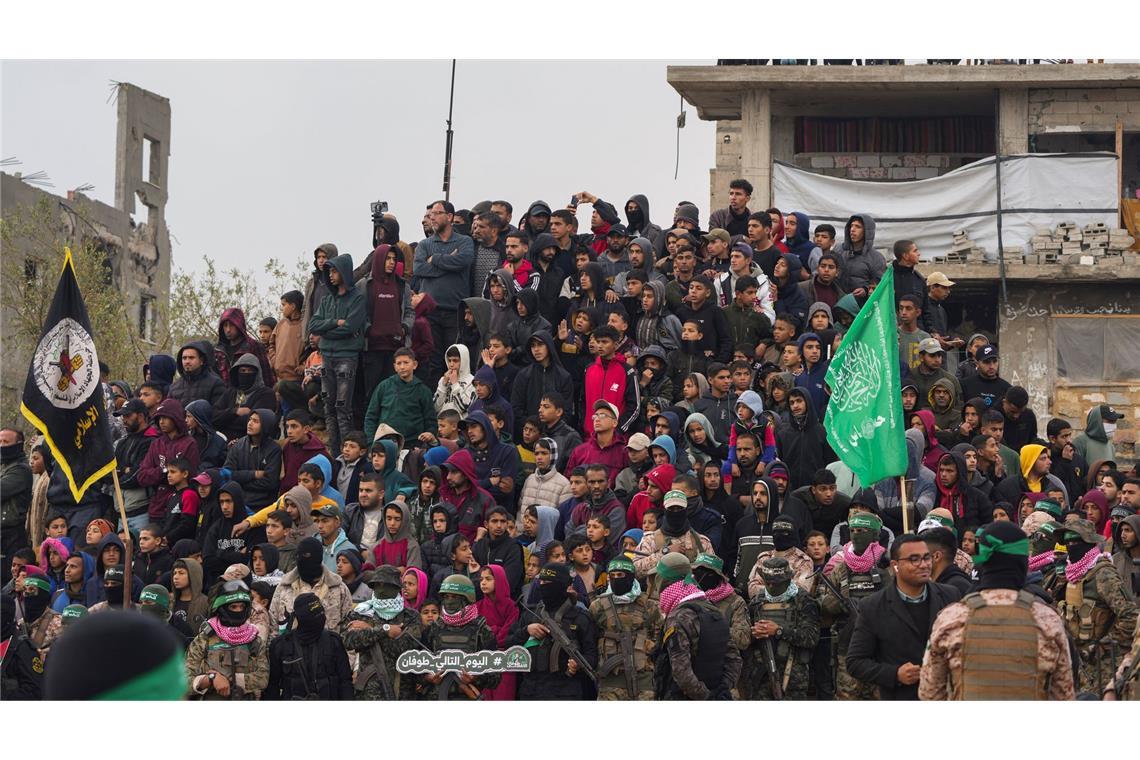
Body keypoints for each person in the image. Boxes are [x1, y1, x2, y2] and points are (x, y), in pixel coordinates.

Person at [919, 521, 1075, 700]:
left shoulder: (951, 618)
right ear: (1023, 562)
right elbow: (1064, 694)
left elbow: (929, 693)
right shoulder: (1048, 620)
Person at [845, 533, 962, 700]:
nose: (923, 565)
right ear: (895, 566)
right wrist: (895, 674)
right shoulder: (873, 606)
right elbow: (855, 662)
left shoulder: (950, 595)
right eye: (914, 559)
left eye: (926, 558)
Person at [1054, 518, 1137, 694]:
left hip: (1101, 666)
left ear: (1088, 543)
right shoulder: (1072, 572)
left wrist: (1103, 646)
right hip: (1077, 659)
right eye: (1068, 542)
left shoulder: (1102, 573)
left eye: (1076, 541)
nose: (1071, 546)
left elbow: (1130, 615)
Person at [653, 553, 740, 700]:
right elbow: (734, 659)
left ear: (664, 581)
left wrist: (706, 697)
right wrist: (721, 691)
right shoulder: (713, 609)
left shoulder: (678, 617)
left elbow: (681, 671)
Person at [507, 562, 597, 700]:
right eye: (541, 581)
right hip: (531, 690)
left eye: (547, 582)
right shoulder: (530, 614)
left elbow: (592, 654)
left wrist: (577, 665)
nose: (543, 586)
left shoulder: (580, 617)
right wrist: (526, 631)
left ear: (562, 585)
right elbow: (509, 646)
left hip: (566, 691)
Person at [413, 200, 476, 382]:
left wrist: (436, 259)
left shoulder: (464, 241)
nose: (432, 217)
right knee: (432, 361)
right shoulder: (424, 244)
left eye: (437, 213)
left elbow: (463, 261)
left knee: (455, 360)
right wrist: (449, 261)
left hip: (455, 311)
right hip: (430, 313)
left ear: (449, 217)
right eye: (431, 214)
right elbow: (419, 269)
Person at [340, 565, 422, 700]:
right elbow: (348, 640)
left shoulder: (411, 616)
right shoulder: (363, 612)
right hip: (369, 692)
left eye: (386, 585)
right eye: (377, 585)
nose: (381, 589)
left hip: (402, 691)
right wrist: (384, 630)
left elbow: (406, 647)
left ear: (396, 587)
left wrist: (369, 630)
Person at [745, 556, 821, 700]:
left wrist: (779, 630)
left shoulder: (803, 601)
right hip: (761, 675)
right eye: (767, 583)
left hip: (793, 676)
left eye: (776, 583)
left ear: (788, 580)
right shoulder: (757, 602)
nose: (771, 587)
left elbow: (811, 638)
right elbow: (744, 637)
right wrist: (754, 633)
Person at [186, 580, 269, 700]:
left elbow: (262, 679)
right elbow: (185, 681)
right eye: (233, 607)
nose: (238, 611)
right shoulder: (205, 639)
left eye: (242, 606)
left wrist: (228, 680)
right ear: (222, 608)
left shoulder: (254, 640)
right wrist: (211, 678)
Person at [423, 574, 500, 700]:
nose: (449, 601)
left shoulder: (482, 631)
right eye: (446, 597)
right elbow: (416, 665)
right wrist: (428, 677)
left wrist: (476, 678)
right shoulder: (433, 629)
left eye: (454, 597)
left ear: (466, 599)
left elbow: (496, 677)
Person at [264, 592, 353, 700]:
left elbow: (345, 682)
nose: (321, 618)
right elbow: (272, 685)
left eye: (321, 613)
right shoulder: (281, 645)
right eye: (314, 615)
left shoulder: (333, 642)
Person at [269, 537, 354, 640]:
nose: (302, 560)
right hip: (291, 653)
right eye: (299, 556)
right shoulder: (284, 587)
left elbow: (349, 630)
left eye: (307, 556)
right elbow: (273, 628)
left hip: (327, 652)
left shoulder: (339, 589)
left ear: (318, 558)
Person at [833, 213, 884, 298]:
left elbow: (879, 285)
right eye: (851, 226)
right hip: (837, 300)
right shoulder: (838, 250)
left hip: (861, 305)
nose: (852, 229)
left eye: (858, 227)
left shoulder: (876, 258)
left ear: (867, 231)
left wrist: (865, 290)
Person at [960, 345, 1011, 410]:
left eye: (995, 361)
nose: (992, 366)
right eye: (987, 362)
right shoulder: (965, 385)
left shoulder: (1007, 388)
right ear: (977, 364)